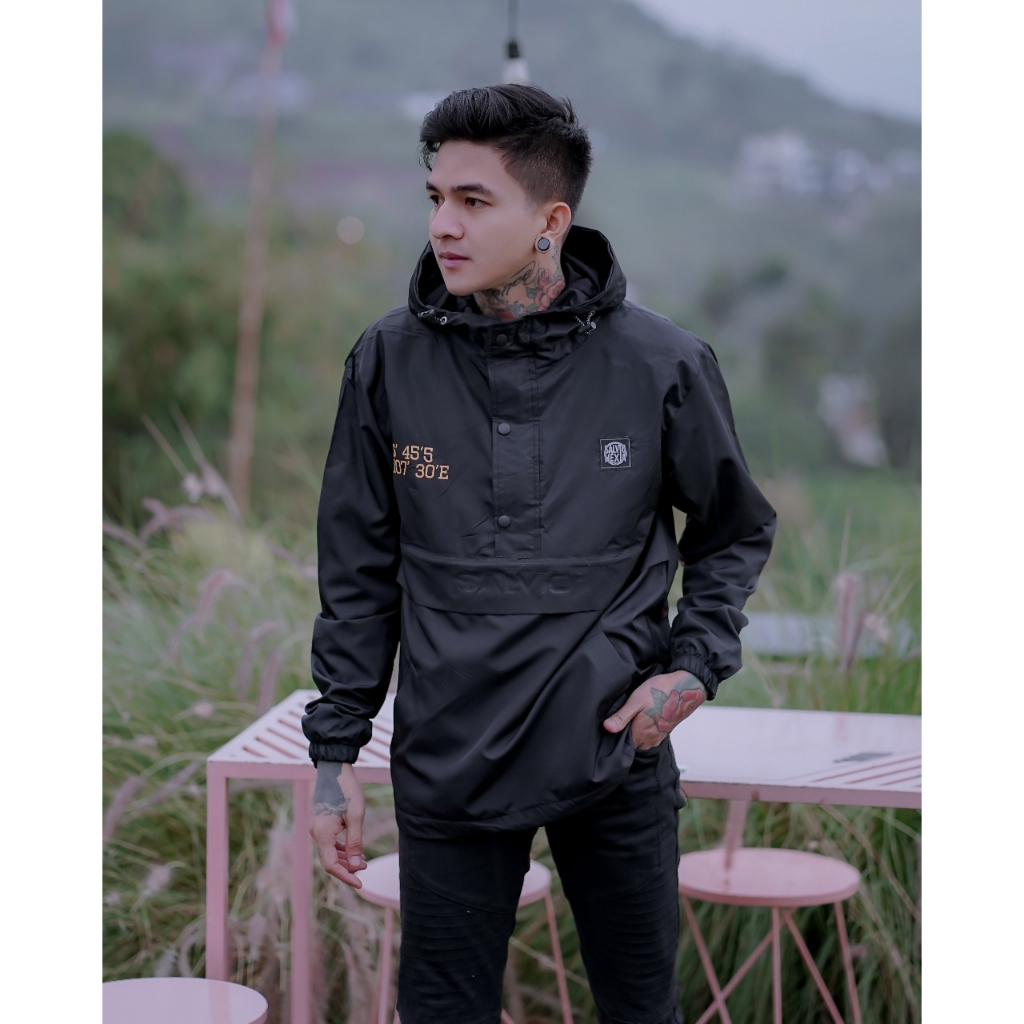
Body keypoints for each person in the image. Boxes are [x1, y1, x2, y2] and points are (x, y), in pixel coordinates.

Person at [302, 83, 776, 1024]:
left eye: (474, 201)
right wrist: (333, 758)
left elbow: (732, 529)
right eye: (436, 197)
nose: (443, 225)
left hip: (615, 752)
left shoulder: (663, 364)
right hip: (449, 760)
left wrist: (691, 671)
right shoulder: (387, 361)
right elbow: (357, 574)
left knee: (641, 1011)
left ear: (551, 221)